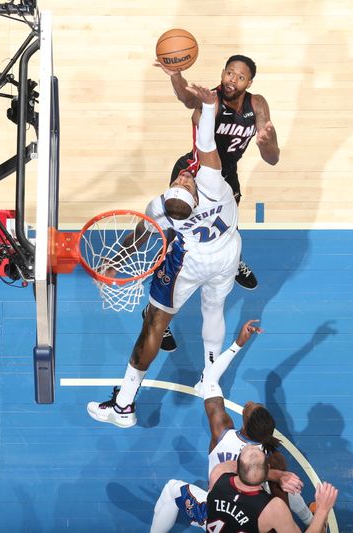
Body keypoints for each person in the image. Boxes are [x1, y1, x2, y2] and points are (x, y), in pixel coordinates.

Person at [87, 84, 240, 428]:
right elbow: (205, 143)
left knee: (155, 323)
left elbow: (139, 237)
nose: (185, 176)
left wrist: (116, 260)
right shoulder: (215, 186)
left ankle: (123, 405)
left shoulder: (160, 208)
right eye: (183, 181)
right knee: (213, 309)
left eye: (183, 180)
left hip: (190, 262)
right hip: (227, 252)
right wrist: (210, 105)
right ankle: (210, 379)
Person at [150, 319, 310, 532]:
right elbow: (283, 488)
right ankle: (310, 518)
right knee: (286, 483)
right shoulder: (272, 458)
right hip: (252, 515)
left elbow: (210, 379)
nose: (248, 403)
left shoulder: (222, 431)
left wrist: (238, 344)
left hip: (217, 510)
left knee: (172, 489)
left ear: (245, 423)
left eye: (250, 407)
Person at [156, 53, 279, 294]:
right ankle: (163, 279)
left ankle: (234, 264)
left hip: (226, 174)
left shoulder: (257, 104)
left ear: (249, 83)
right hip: (194, 171)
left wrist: (267, 142)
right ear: (223, 72)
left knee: (229, 227)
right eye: (229, 73)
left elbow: (272, 159)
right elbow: (186, 98)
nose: (233, 80)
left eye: (241, 77)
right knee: (176, 233)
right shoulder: (210, 99)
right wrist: (175, 75)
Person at [207, 445, 338, 533]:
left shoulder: (218, 472)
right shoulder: (273, 508)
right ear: (268, 468)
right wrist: (323, 509)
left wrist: (278, 476)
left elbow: (236, 467)